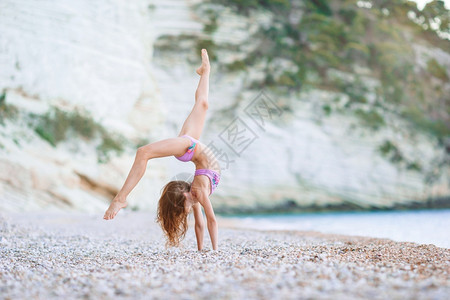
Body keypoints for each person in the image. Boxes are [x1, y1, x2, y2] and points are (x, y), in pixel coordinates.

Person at [103, 49, 220, 251]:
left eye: (180, 211)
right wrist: (203, 251)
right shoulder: (196, 195)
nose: (184, 214)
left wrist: (214, 251)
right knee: (202, 104)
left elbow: (211, 221)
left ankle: (120, 199)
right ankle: (205, 72)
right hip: (192, 149)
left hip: (189, 148)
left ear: (184, 196)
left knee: (143, 152)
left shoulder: (198, 192)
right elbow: (201, 223)